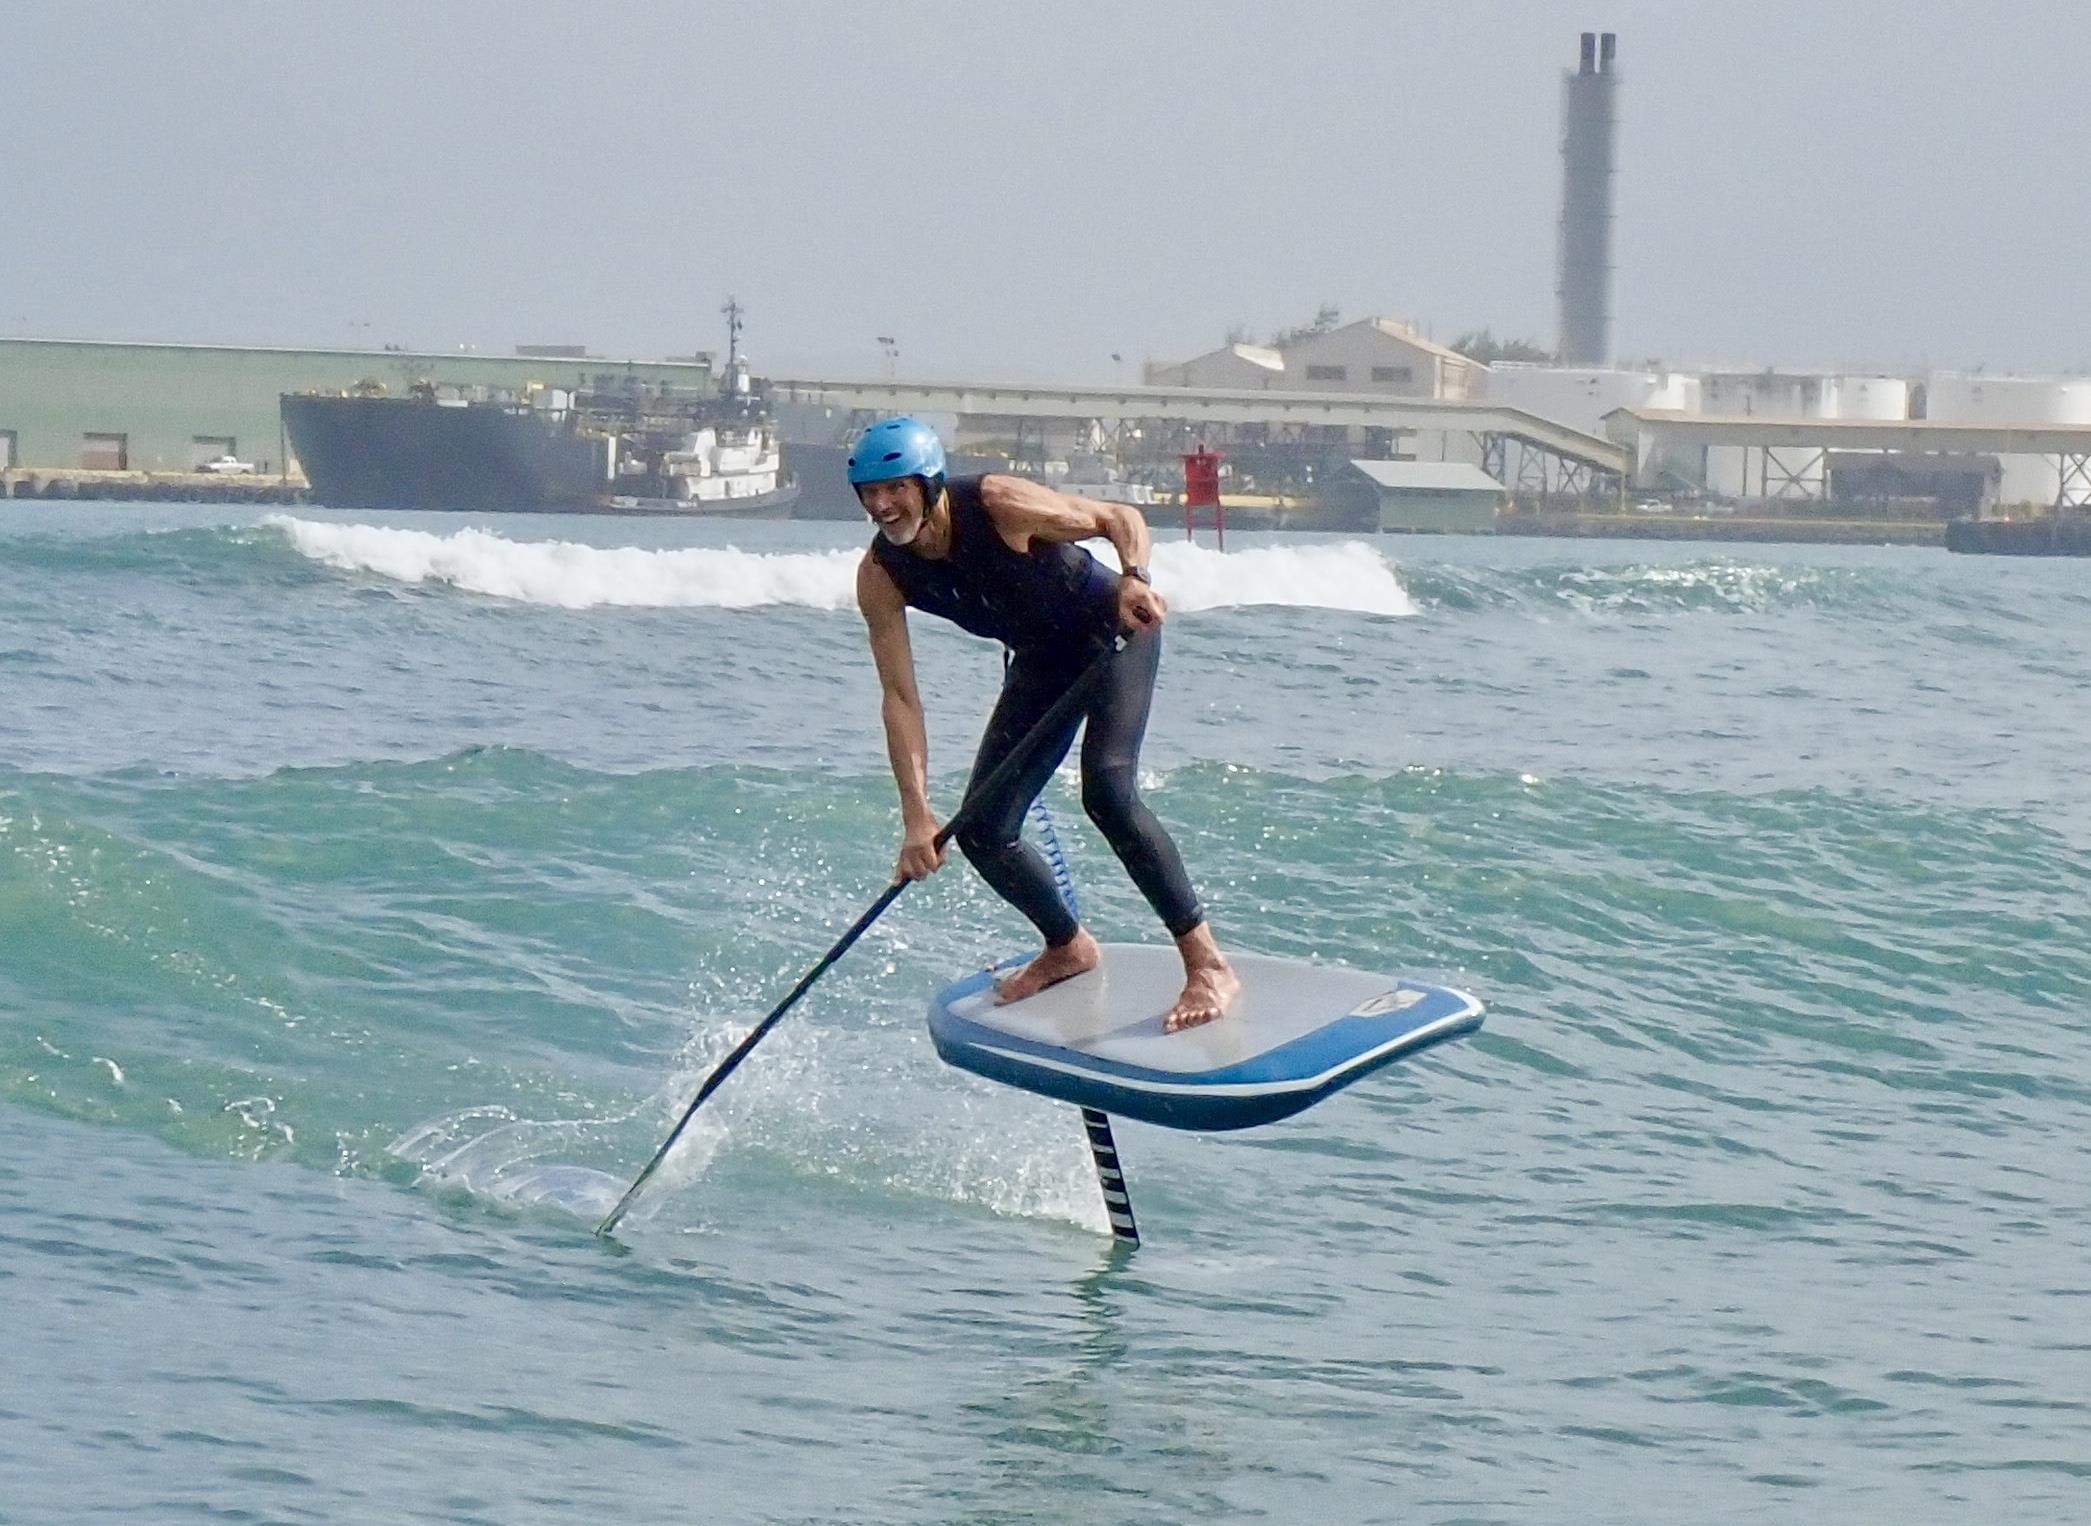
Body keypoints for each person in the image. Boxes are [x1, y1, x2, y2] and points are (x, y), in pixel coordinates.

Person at [851, 416, 1239, 1033]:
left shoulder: (1000, 505)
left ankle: (1208, 963)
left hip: (1112, 631)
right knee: (983, 829)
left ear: (928, 484)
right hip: (1042, 662)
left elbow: (1120, 519)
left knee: (1108, 794)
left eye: (895, 488)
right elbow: (901, 698)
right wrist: (916, 814)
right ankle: (1068, 946)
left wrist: (1134, 581)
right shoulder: (881, 576)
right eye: (869, 493)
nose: (882, 505)